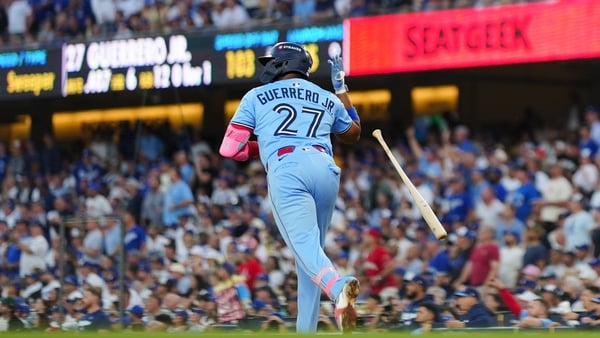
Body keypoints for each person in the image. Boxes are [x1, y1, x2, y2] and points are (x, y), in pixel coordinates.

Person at [218, 42, 361, 333]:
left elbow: (230, 149)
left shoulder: (256, 95)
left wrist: (261, 148)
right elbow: (354, 133)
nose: (267, 66)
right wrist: (342, 90)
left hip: (288, 170)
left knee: (307, 251)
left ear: (282, 64)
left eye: (271, 61)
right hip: (325, 167)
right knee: (309, 257)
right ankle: (305, 330)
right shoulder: (325, 96)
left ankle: (338, 289)